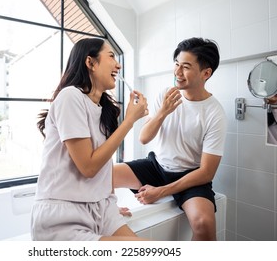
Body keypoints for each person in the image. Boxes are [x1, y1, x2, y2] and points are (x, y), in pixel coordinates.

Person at [31, 37, 149, 241]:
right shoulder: (70, 97)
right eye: (111, 56)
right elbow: (89, 167)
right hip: (63, 217)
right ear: (90, 62)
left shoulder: (104, 110)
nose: (118, 64)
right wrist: (129, 121)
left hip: (100, 209)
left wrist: (107, 202)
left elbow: (104, 165)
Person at [114, 37, 227, 241]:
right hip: (157, 167)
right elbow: (144, 138)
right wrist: (163, 112)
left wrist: (160, 192)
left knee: (204, 224)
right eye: (176, 64)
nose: (177, 72)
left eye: (185, 67)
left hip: (191, 177)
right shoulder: (167, 94)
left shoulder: (214, 113)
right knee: (104, 175)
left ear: (206, 73)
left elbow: (207, 172)